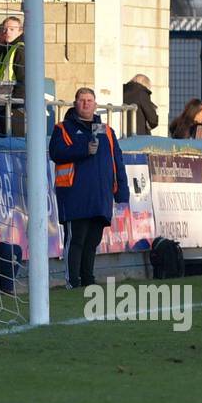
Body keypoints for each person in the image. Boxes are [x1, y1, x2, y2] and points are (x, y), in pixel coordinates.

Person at [49, 86, 129, 289]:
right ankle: (72, 281)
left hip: (100, 195)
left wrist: (122, 193)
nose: (85, 103)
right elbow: (56, 152)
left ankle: (88, 279)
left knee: (93, 240)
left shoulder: (107, 132)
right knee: (76, 240)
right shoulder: (63, 128)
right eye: (81, 100)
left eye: (89, 100)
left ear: (95, 104)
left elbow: (117, 162)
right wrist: (83, 150)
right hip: (75, 194)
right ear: (75, 103)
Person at [0, 16, 25, 137]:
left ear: (20, 31)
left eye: (12, 29)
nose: (7, 32)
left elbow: (23, 79)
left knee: (12, 142)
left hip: (13, 106)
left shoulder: (19, 50)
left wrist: (14, 104)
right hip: (3, 103)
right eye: (5, 30)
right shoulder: (9, 48)